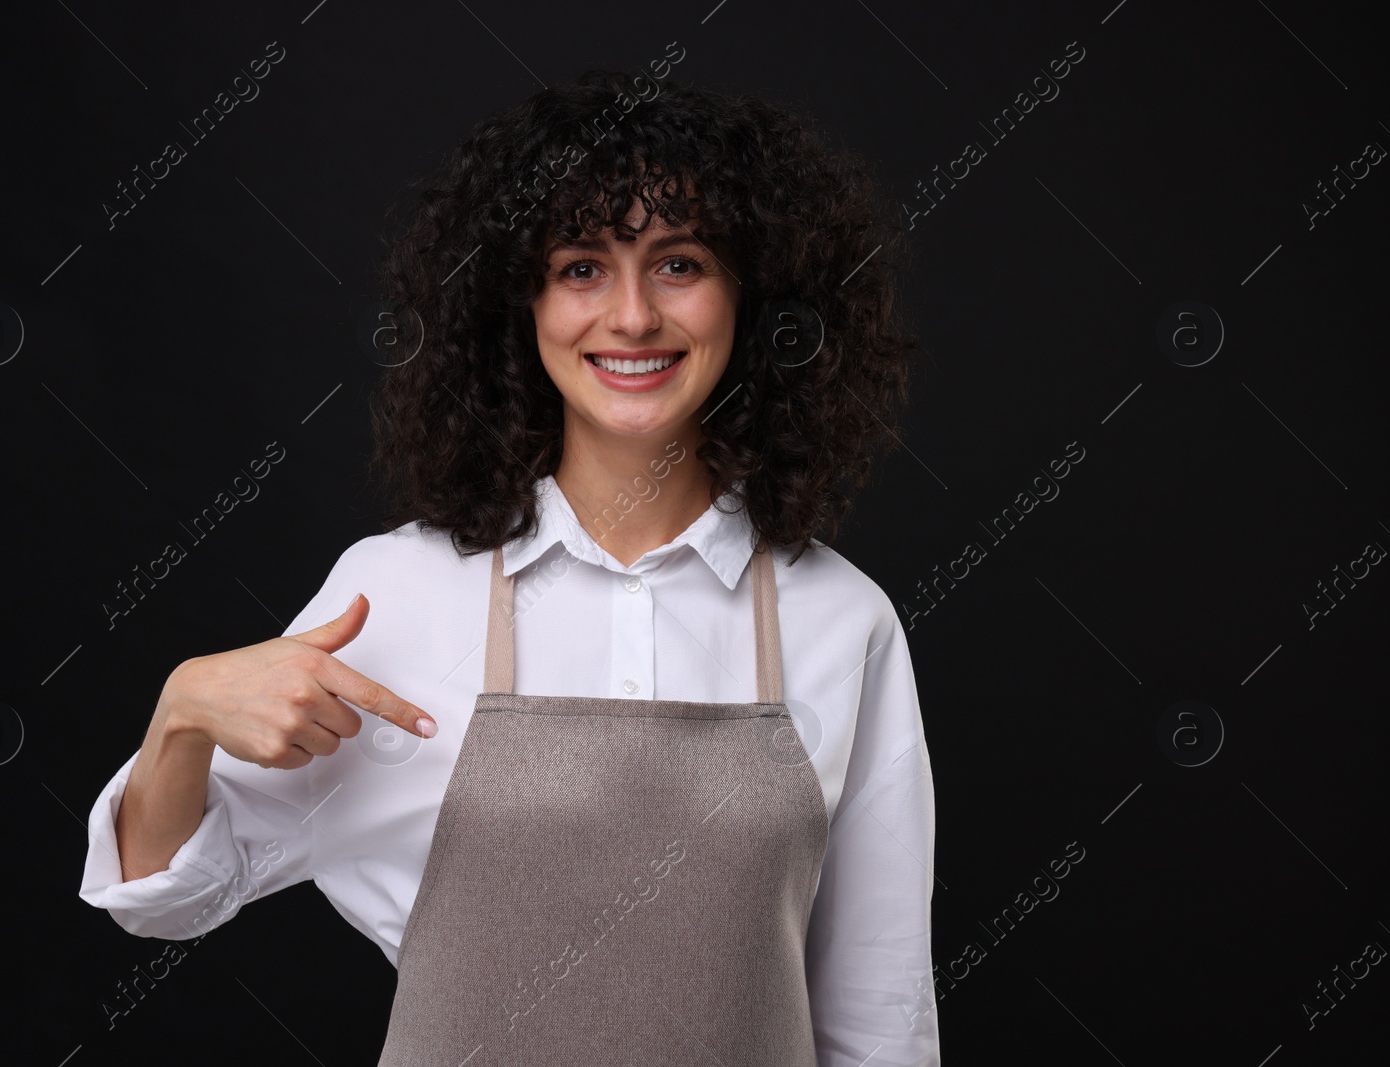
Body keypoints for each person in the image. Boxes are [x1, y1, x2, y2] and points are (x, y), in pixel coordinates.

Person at [80, 67, 938, 1065]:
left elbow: (877, 1013)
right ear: (514, 303)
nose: (630, 316)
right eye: (580, 266)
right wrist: (182, 711)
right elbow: (164, 895)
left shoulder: (841, 618)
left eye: (679, 263)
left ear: (754, 295)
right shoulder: (397, 595)